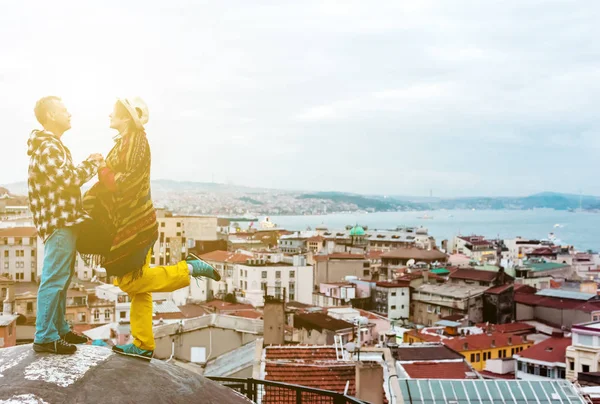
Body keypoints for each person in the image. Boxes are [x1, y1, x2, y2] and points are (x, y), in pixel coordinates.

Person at [78, 97, 220, 360]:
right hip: (133, 224)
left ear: (125, 118)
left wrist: (101, 167)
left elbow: (124, 183)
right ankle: (143, 344)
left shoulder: (135, 143)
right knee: (138, 286)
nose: (110, 115)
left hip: (135, 225)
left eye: (114, 112)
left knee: (130, 282)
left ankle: (189, 268)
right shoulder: (127, 142)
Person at [27, 96, 104, 354]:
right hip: (59, 222)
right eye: (63, 110)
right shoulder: (48, 147)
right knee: (54, 279)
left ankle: (58, 328)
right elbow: (68, 179)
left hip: (64, 221)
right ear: (50, 115)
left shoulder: (52, 145)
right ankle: (45, 337)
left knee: (62, 278)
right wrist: (93, 163)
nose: (69, 113)